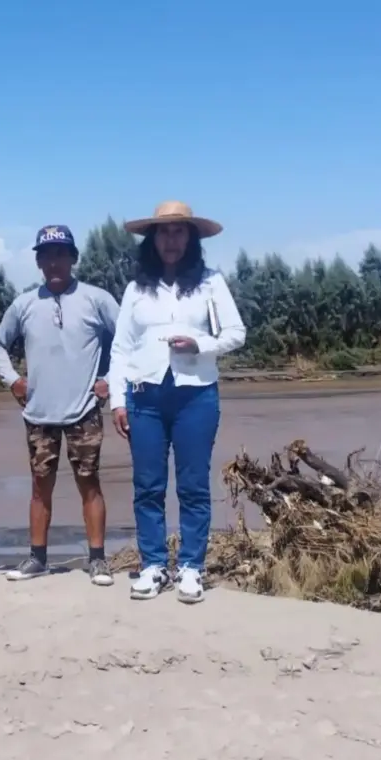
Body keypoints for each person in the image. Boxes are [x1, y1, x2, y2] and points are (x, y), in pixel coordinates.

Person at [109, 201, 246, 603]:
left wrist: (199, 344)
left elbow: (236, 333)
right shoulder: (136, 289)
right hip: (144, 398)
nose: (171, 240)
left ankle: (191, 568)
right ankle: (153, 566)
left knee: (193, 486)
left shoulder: (210, 283)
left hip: (196, 397)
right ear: (152, 239)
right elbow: (120, 349)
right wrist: (117, 401)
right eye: (164, 232)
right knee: (147, 486)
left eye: (179, 231)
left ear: (191, 238)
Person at [0, 225, 121, 585]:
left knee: (89, 484)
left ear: (73, 258)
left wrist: (111, 379)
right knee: (39, 487)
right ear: (38, 262)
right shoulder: (24, 304)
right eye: (46, 255)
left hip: (84, 411)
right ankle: (37, 558)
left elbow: (129, 339)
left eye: (61, 254)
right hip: (39, 414)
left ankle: (98, 560)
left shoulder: (97, 299)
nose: (54, 262)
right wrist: (12, 380)